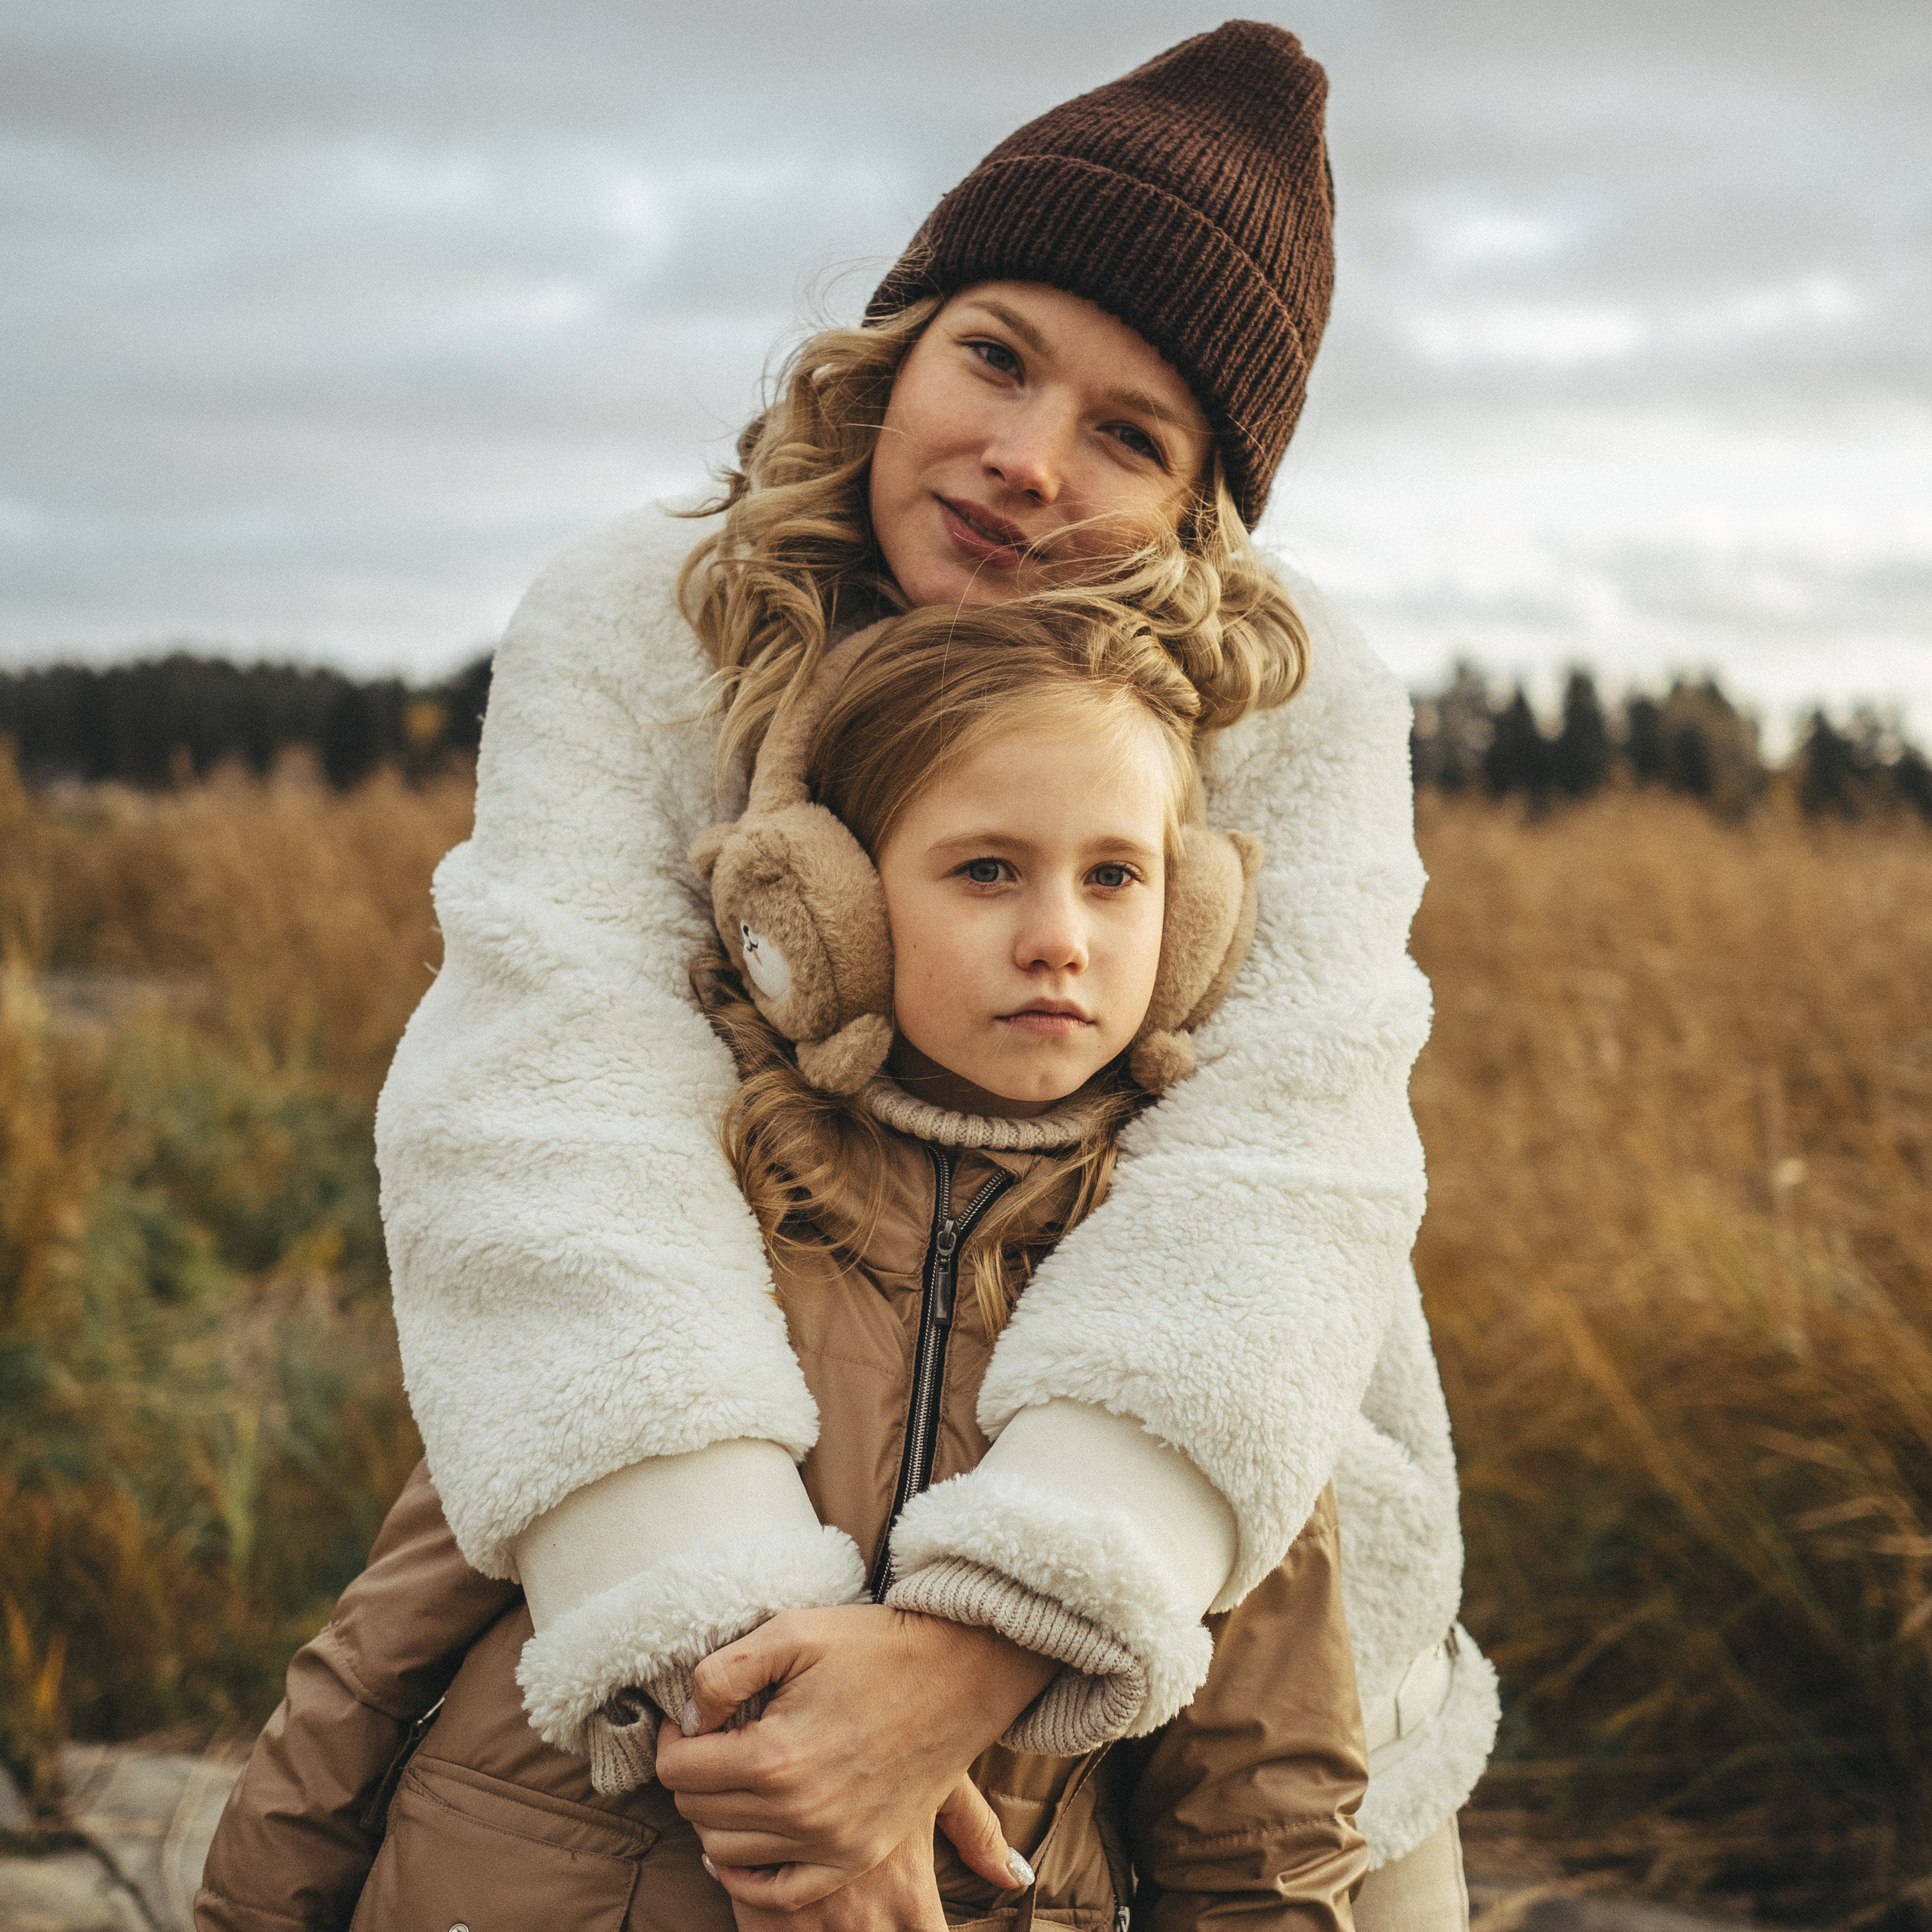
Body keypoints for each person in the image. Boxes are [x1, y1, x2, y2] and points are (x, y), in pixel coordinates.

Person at [221, 20, 1495, 1924]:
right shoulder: (640, 619)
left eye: (1128, 433)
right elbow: (546, 1100)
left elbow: (1286, 1160)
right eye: (995, 355)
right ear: (900, 340)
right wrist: (770, 1683)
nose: (1022, 458)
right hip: (698, 1606)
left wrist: (1001, 1629)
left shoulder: (1295, 700)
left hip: (1239, 1566)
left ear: (1200, 506)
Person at [199, 602, 1374, 1927]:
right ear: (830, 909)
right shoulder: (679, 1225)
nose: (1062, 935)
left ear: (1195, 920)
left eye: (1116, 876)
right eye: (987, 870)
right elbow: (375, 1660)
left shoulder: (1206, 1305)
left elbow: (1264, 1820)